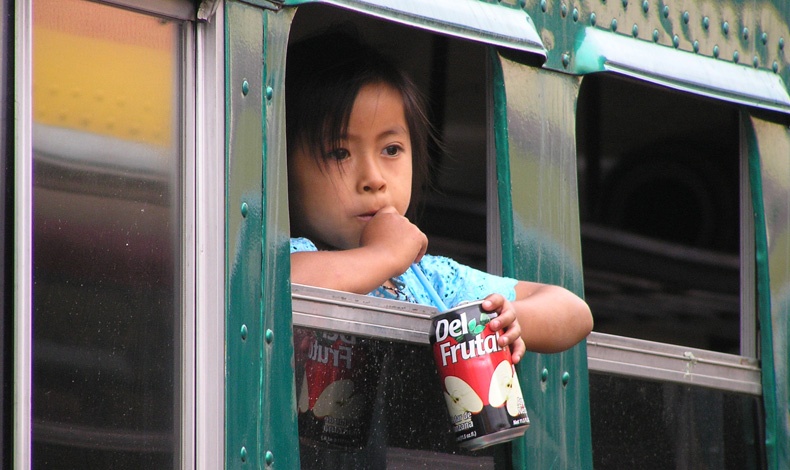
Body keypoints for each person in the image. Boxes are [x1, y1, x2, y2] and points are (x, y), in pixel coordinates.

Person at [286, 29, 593, 361]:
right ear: (282, 165)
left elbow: (574, 311)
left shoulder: (427, 277)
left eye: (391, 149)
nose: (373, 179)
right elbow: (279, 286)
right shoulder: (294, 258)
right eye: (339, 153)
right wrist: (386, 254)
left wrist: (511, 318)